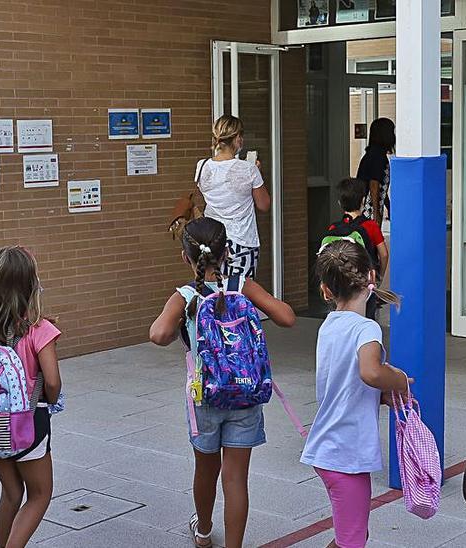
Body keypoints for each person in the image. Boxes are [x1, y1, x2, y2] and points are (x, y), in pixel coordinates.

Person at [148, 218, 296, 548]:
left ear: (185, 257)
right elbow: (287, 316)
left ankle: (203, 531)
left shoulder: (186, 295)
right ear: (227, 251)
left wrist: (181, 324)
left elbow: (157, 334)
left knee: (206, 468)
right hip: (246, 392)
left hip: (206, 397)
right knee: (236, 477)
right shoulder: (242, 285)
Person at [304, 241, 411, 548]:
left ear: (325, 291)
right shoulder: (367, 329)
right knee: (353, 540)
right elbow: (371, 372)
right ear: (371, 277)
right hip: (344, 454)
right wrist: (400, 381)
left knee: (352, 535)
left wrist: (377, 397)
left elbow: (344, 380)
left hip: (332, 449)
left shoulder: (329, 327)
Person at [0, 246, 62, 548]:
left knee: (11, 494)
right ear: (30, 286)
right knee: (39, 494)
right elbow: (52, 382)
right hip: (28, 423)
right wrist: (51, 399)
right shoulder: (40, 330)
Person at [197, 115, 271, 280]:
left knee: (215, 290)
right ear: (238, 138)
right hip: (242, 242)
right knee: (241, 295)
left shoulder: (201, 166)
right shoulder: (249, 169)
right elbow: (264, 204)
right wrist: (257, 173)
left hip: (212, 240)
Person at [319, 177, 390, 319]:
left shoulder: (334, 228)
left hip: (339, 284)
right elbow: (384, 254)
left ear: (340, 203)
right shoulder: (371, 227)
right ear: (363, 200)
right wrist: (378, 277)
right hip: (363, 283)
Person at [356, 118, 395, 227]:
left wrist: (388, 206)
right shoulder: (377, 156)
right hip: (368, 208)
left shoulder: (374, 154)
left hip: (370, 206)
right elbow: (374, 184)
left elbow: (380, 187)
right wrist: (376, 213)